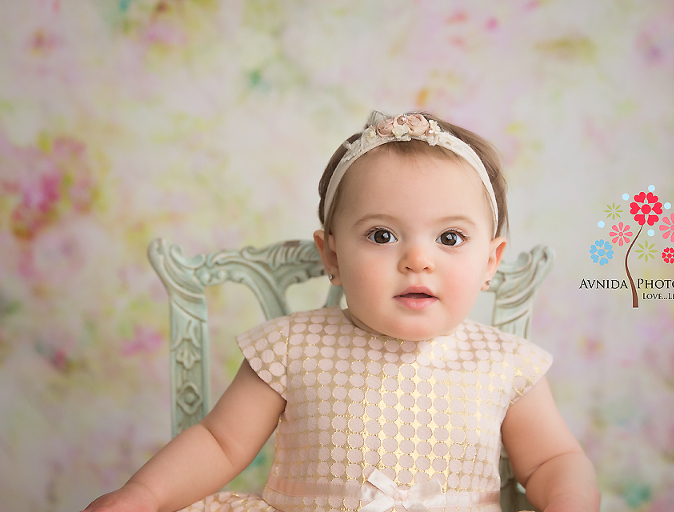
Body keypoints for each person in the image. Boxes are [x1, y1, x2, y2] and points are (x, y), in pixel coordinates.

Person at [82, 112, 600, 512]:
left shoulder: (506, 364)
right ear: (331, 254)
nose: (418, 259)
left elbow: (555, 460)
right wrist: (142, 495)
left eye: (449, 237)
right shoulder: (291, 347)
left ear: (490, 261)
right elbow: (219, 443)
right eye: (381, 235)